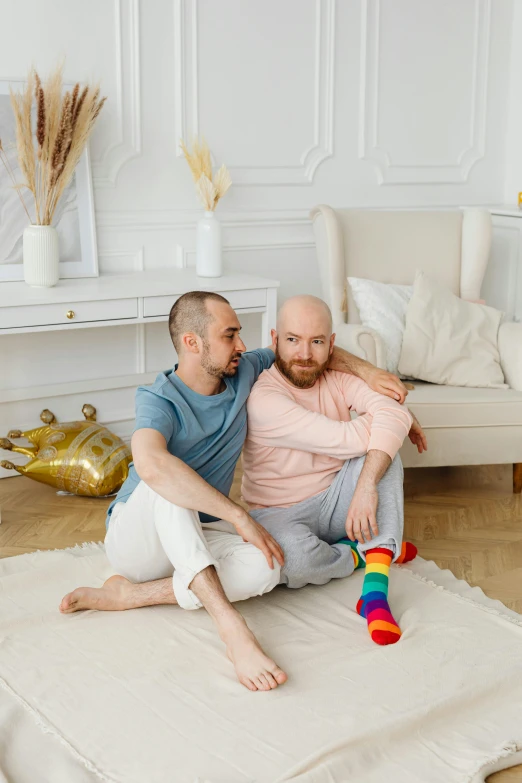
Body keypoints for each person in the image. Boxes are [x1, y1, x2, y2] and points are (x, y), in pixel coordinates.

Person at [60, 291, 415, 690]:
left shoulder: (241, 371)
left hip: (198, 530)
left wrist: (370, 374)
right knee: (169, 479)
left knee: (268, 566)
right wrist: (238, 514)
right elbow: (151, 465)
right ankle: (234, 632)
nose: (243, 347)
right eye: (230, 336)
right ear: (193, 343)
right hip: (137, 540)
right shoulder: (159, 399)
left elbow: (308, 350)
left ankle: (130, 597)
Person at [243, 295, 428, 646]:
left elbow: (390, 415)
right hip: (278, 512)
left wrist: (365, 485)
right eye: (292, 340)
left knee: (383, 456)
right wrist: (396, 418)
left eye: (316, 342)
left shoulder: (337, 378)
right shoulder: (264, 397)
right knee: (292, 564)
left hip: (338, 496)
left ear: (331, 345)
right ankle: (364, 552)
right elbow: (348, 436)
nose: (304, 354)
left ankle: (374, 594)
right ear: (274, 340)